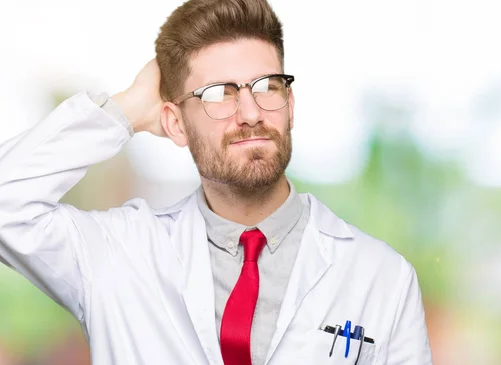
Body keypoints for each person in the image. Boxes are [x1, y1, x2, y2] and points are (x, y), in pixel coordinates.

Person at [0, 0, 432, 364]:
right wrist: (127, 109)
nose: (250, 112)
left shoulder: (384, 279)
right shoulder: (116, 255)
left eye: (267, 86)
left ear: (290, 103)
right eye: (218, 93)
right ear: (174, 123)